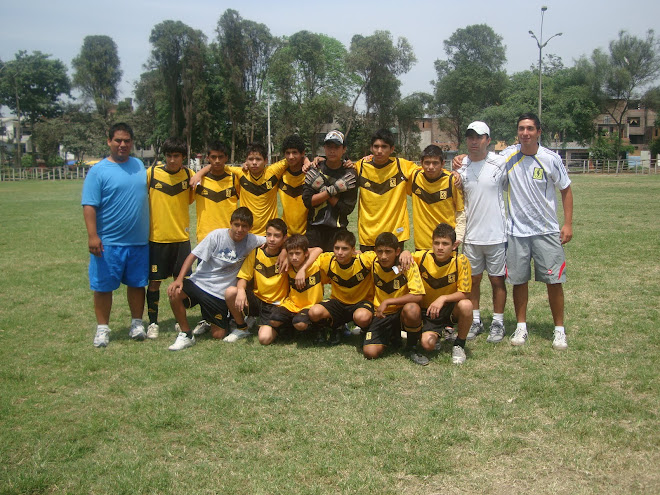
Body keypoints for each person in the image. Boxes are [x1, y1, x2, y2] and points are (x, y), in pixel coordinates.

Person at [503, 113, 573, 350]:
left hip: (546, 231)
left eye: (530, 128)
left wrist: (567, 223)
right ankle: (521, 327)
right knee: (518, 281)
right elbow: (482, 156)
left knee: (554, 281)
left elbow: (565, 189)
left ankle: (559, 330)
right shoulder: (509, 156)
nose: (525, 133)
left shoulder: (551, 159)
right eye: (521, 128)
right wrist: (462, 158)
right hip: (516, 233)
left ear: (539, 132)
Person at [82, 122, 149, 348]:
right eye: (118, 140)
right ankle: (102, 328)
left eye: (127, 141)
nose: (122, 144)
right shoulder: (98, 171)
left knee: (138, 284)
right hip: (108, 242)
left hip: (138, 241)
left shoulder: (139, 165)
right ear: (109, 141)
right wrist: (93, 236)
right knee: (103, 286)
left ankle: (137, 323)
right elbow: (89, 205)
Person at [166, 207, 265, 351]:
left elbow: (277, 239)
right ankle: (186, 334)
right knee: (174, 292)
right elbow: (193, 256)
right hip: (199, 283)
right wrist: (179, 279)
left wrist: (281, 252)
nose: (240, 229)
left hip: (219, 294)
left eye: (244, 226)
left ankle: (209, 319)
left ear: (250, 228)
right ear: (230, 223)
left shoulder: (252, 240)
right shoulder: (217, 236)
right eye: (236, 225)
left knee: (218, 335)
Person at [456, 122, 508, 343]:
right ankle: (475, 320)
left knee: (497, 281)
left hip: (496, 235)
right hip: (471, 237)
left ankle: (498, 322)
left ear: (488, 140)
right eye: (470, 137)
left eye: (479, 137)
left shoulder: (501, 163)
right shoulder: (459, 167)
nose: (474, 142)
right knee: (473, 281)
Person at [145, 137, 194, 340]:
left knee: (180, 283)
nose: (172, 160)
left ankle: (178, 320)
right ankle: (153, 323)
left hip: (181, 239)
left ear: (183, 157)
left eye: (176, 156)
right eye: (169, 156)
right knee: (154, 283)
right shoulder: (152, 174)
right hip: (157, 238)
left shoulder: (189, 176)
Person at [363, 232, 426, 365]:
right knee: (370, 353)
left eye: (388, 251)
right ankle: (392, 336)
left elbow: (418, 295)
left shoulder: (407, 264)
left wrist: (388, 301)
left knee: (412, 309)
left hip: (401, 313)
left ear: (397, 251)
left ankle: (412, 347)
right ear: (375, 251)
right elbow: (353, 254)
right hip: (382, 315)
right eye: (379, 251)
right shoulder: (372, 261)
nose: (383, 256)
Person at [413, 223, 473, 365]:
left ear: (453, 246)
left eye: (445, 244)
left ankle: (459, 344)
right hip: (429, 312)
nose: (440, 247)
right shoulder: (421, 257)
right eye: (437, 243)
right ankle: (436, 335)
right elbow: (401, 258)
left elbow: (465, 293)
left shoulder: (461, 261)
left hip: (450, 310)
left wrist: (443, 298)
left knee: (466, 305)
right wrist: (403, 254)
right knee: (427, 345)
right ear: (432, 243)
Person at [225, 218, 290, 345]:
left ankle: (279, 325)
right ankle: (242, 327)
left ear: (284, 238)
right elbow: (243, 277)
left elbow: (314, 249)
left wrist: (286, 250)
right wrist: (241, 291)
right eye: (269, 235)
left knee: (264, 339)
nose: (271, 239)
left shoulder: (289, 255)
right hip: (256, 298)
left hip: (275, 304)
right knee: (231, 292)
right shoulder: (256, 252)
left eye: (277, 236)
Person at [354, 129, 420, 251]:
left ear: (392, 149)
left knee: (395, 270)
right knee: (370, 269)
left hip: (395, 233)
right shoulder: (361, 166)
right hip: (368, 234)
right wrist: (319, 160)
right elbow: (339, 168)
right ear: (371, 148)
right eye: (376, 146)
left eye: (384, 147)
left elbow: (430, 171)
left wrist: (455, 171)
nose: (379, 151)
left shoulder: (402, 166)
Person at [308, 230, 376, 345]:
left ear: (353, 249)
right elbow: (304, 252)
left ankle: (365, 330)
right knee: (314, 312)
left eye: (345, 249)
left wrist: (405, 254)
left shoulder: (364, 260)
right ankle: (333, 328)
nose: (339, 252)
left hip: (362, 302)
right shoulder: (327, 260)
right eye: (337, 248)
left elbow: (387, 257)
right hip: (338, 302)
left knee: (362, 317)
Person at [302, 130, 358, 252]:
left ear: (344, 149)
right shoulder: (315, 169)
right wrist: (333, 190)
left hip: (337, 230)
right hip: (314, 229)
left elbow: (346, 209)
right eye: (329, 147)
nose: (332, 151)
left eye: (337, 147)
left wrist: (322, 190)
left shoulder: (349, 174)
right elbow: (308, 201)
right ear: (324, 148)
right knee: (313, 268)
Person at [408, 144, 465, 251]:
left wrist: (458, 236)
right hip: (422, 244)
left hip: (446, 244)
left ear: (442, 164)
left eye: (435, 163)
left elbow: (460, 212)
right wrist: (370, 158)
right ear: (421, 163)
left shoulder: (452, 181)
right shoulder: (414, 177)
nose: (430, 167)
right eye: (427, 163)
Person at [268, 235, 324, 339]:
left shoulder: (315, 264)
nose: (294, 257)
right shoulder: (288, 267)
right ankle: (290, 328)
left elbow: (319, 249)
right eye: (291, 254)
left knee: (300, 324)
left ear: (306, 253)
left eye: (298, 253)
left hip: (310, 306)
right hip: (292, 304)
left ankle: (315, 328)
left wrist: (302, 269)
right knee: (274, 320)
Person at [194, 141, 240, 243]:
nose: (217, 161)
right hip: (205, 237)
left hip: (229, 236)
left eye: (221, 157)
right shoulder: (199, 180)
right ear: (207, 158)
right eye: (213, 157)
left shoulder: (234, 179)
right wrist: (199, 173)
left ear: (226, 157)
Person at [276, 135, 309, 235]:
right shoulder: (280, 175)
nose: (291, 157)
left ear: (302, 153)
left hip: (308, 233)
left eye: (294, 152)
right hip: (286, 233)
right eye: (287, 153)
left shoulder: (310, 174)